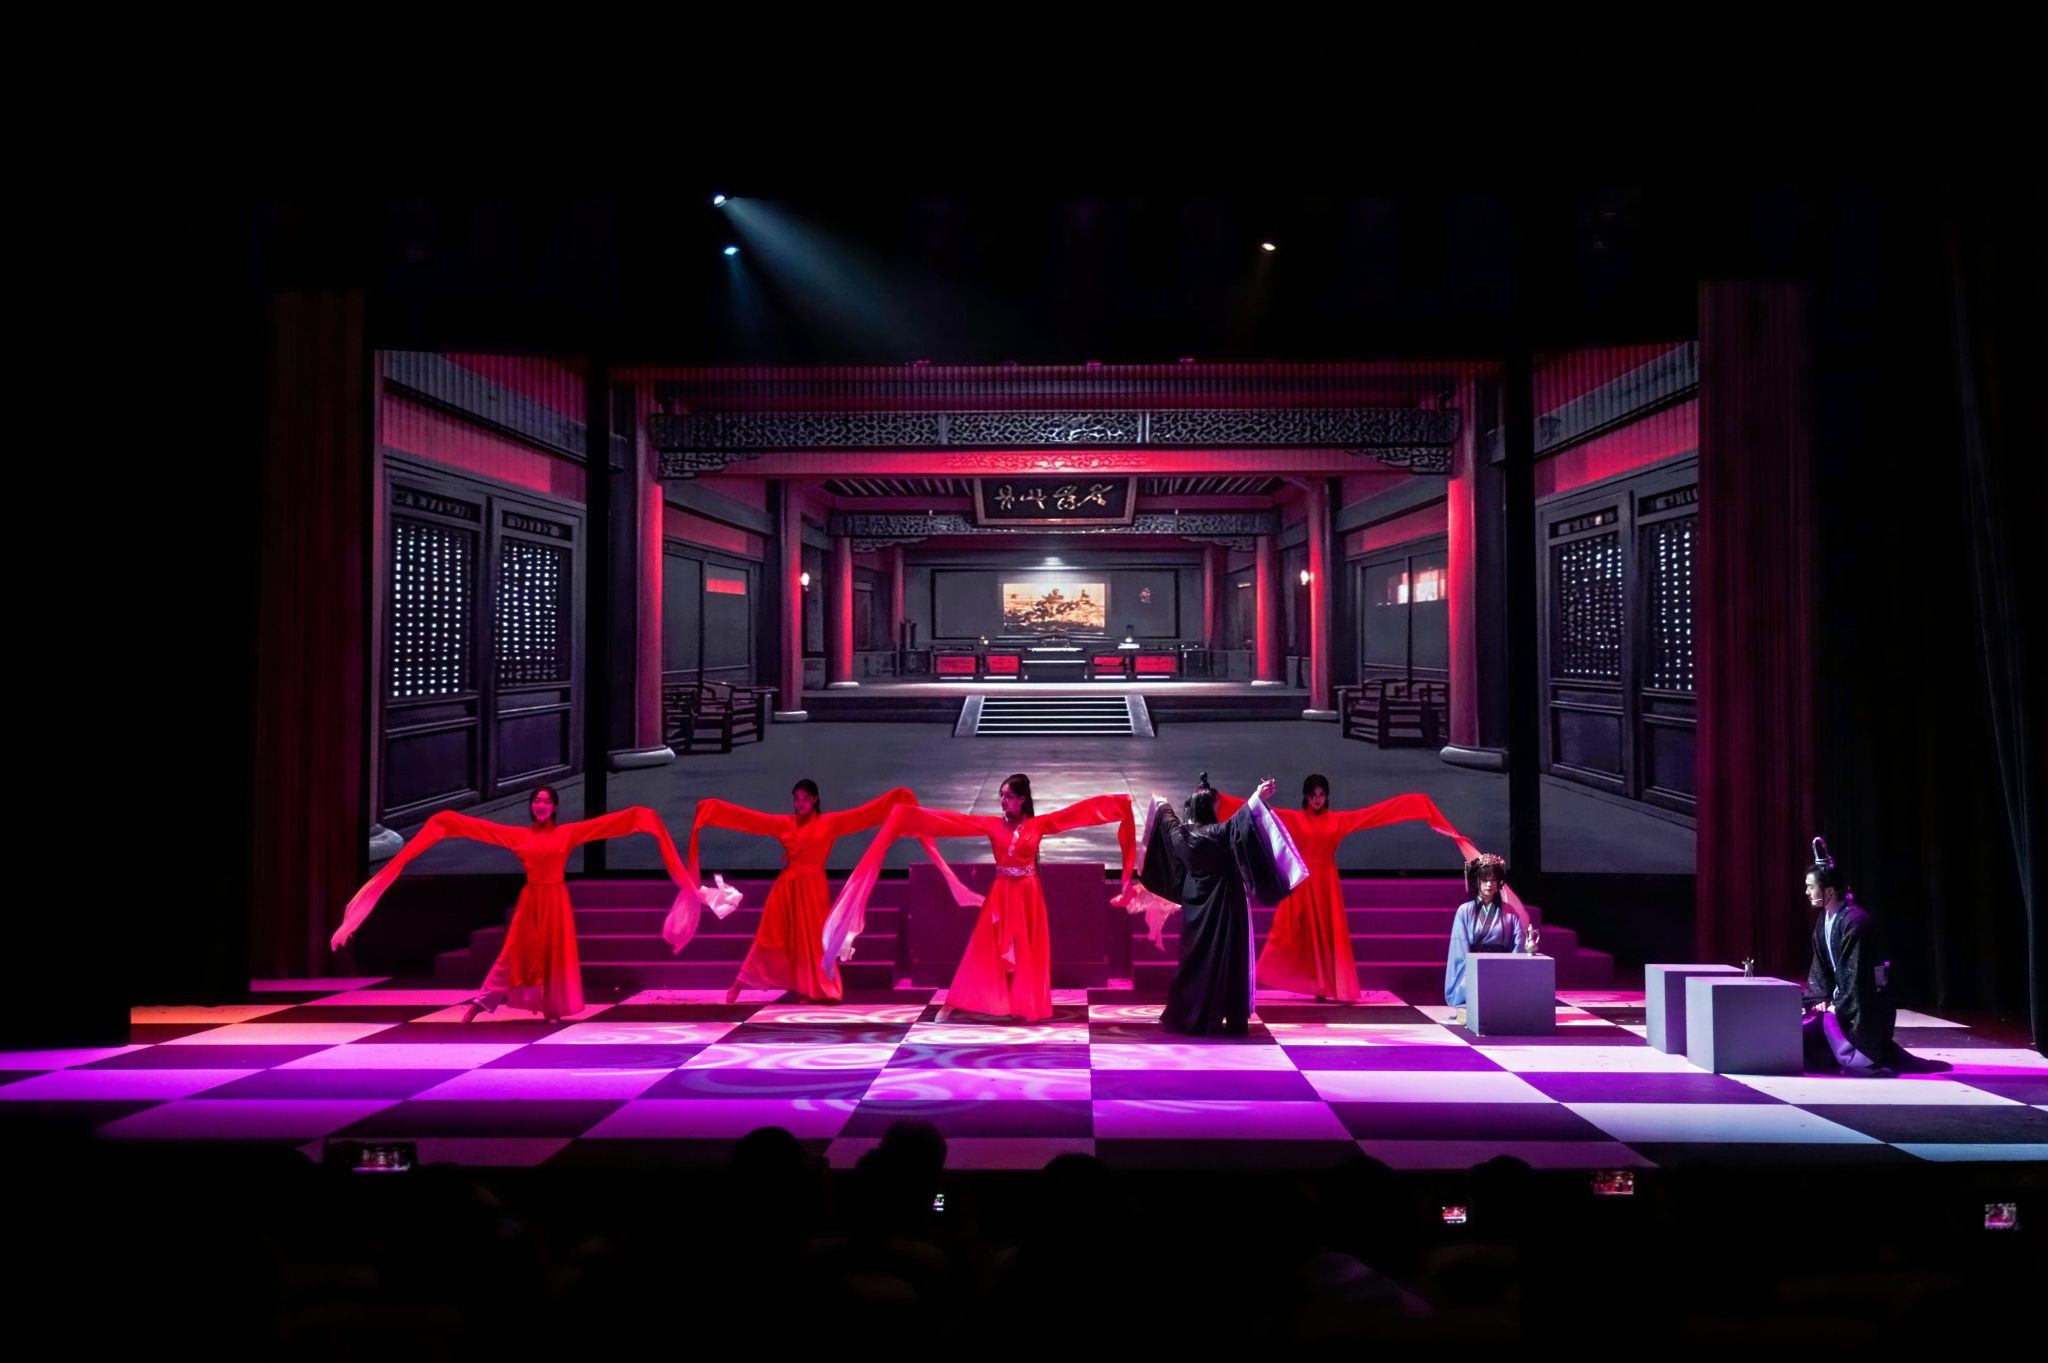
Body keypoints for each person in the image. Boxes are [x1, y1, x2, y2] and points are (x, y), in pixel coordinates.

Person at [330, 786, 698, 1023]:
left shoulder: (568, 833)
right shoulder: (517, 836)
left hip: (555, 899)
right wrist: (446, 821)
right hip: (532, 899)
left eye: (546, 801)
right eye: (536, 801)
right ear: (532, 807)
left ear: (555, 807)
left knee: (554, 953)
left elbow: (613, 823)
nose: (541, 805)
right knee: (516, 952)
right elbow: (474, 828)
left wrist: (640, 817)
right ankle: (484, 1001)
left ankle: (551, 1007)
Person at [822, 773, 1134, 1022]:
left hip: (1028, 894)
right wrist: (907, 817)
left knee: (1026, 950)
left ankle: (1023, 1004)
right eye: (1001, 795)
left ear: (1022, 800)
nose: (1003, 801)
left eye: (1008, 796)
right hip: (1002, 893)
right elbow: (950, 822)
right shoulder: (991, 824)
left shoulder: (1039, 824)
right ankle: (955, 1003)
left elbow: (1077, 814)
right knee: (984, 948)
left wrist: (1118, 805)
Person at [688, 781, 951, 1003]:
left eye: (805, 798)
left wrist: (895, 799)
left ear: (815, 800)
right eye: (796, 799)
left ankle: (815, 988)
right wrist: (713, 810)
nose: (800, 803)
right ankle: (740, 983)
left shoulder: (831, 823)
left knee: (814, 940)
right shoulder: (785, 823)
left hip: (813, 888)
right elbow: (751, 820)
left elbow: (863, 815)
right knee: (770, 937)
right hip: (787, 888)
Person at [1134, 773, 1307, 1036]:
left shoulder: (1179, 835)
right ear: (1208, 807)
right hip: (1223, 903)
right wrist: (1257, 797)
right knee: (1227, 957)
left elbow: (1166, 818)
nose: (1218, 808)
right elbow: (1241, 822)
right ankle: (1227, 1016)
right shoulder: (1218, 834)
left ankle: (1187, 1014)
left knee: (1194, 959)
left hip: (1193, 903)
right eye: (1215, 805)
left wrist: (1162, 803)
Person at [1801, 837, 1940, 1075]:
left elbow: (1858, 980)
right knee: (1799, 1040)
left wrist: (1836, 1007)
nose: (1806, 892)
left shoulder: (1855, 923)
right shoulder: (1824, 920)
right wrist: (1819, 997)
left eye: (1810, 886)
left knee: (1813, 1044)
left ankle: (1866, 1053)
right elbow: (1820, 968)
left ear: (1829, 891)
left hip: (1862, 1010)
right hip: (1840, 1003)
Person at [1443, 852, 1535, 1024]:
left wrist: (1512, 965)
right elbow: (1460, 946)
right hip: (1473, 967)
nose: (1489, 884)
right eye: (1484, 880)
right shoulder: (1465, 911)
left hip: (1503, 966)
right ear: (1476, 882)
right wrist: (1471, 966)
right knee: (1470, 986)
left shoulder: (1509, 911)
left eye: (1493, 880)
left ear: (1499, 883)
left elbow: (1518, 942)